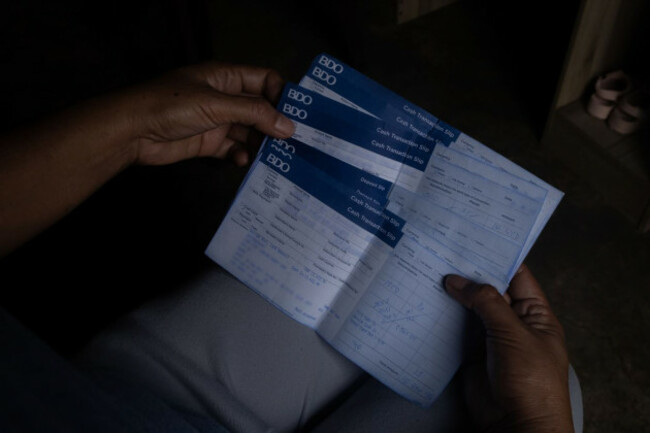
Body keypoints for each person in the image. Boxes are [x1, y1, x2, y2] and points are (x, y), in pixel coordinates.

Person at [0, 62, 581, 432]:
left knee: (479, 350)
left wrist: (131, 128)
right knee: (551, 386)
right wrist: (542, 421)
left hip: (114, 402)